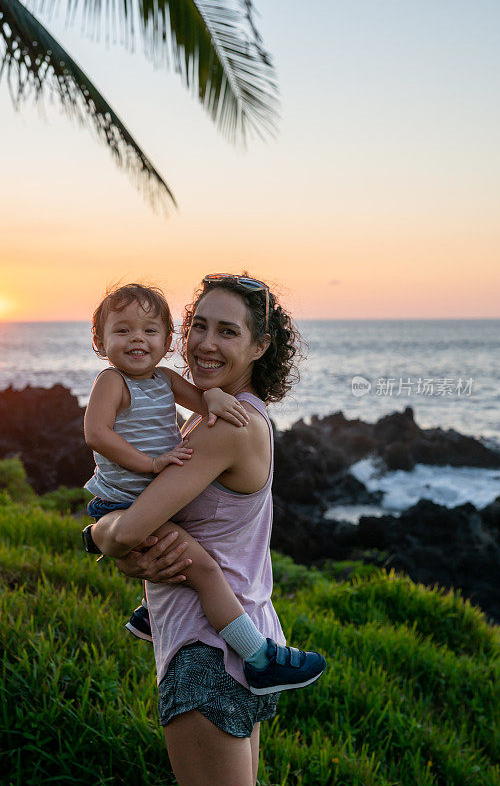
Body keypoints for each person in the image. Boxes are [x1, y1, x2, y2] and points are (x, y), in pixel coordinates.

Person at [86, 274, 327, 786]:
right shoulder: (226, 414)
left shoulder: (221, 428)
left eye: (228, 332)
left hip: (207, 650)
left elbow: (130, 531)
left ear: (261, 345)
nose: (206, 343)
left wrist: (97, 536)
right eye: (199, 326)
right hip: (240, 632)